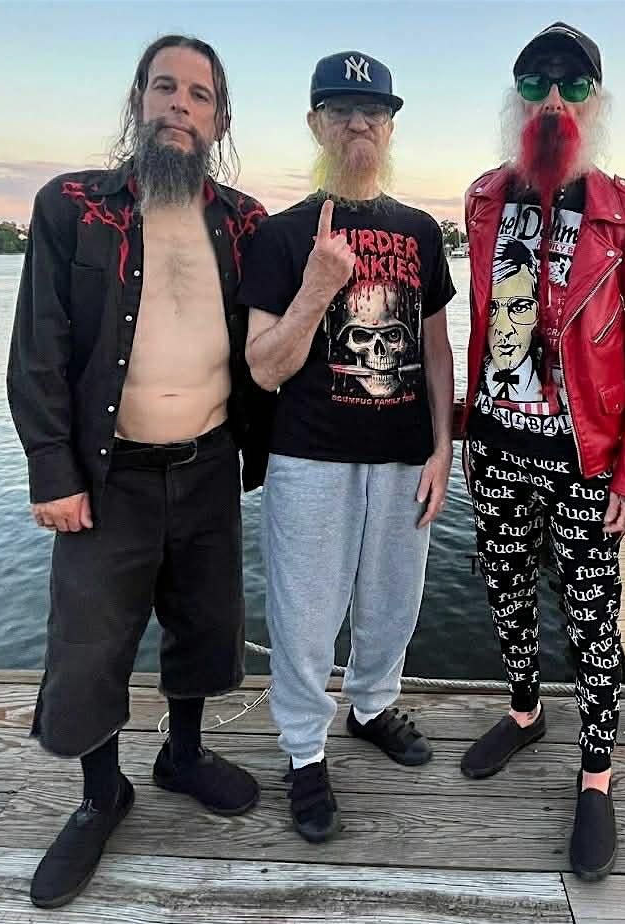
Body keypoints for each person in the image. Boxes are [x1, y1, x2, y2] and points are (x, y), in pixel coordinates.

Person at [6, 34, 273, 908]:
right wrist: (53, 471)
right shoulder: (73, 206)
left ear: (220, 120)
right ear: (138, 101)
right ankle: (101, 794)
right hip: (105, 474)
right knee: (90, 644)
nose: (178, 107)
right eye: (165, 88)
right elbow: (37, 350)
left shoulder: (245, 223)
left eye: (199, 95)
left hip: (209, 464)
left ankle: (182, 756)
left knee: (205, 625)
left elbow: (274, 344)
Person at [459, 22, 625, 881]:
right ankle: (523, 712)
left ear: (596, 100)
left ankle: (595, 772)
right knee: (505, 590)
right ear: (515, 98)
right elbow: (479, 326)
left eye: (573, 83)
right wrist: (463, 435)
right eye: (536, 81)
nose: (553, 97)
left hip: (585, 458)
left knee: (592, 619)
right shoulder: (483, 198)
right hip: (496, 445)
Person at [239, 51, 455, 844]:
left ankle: (370, 706)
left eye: (373, 110)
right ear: (315, 123)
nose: (357, 122)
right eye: (339, 109)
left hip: (404, 455)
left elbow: (435, 348)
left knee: (394, 603)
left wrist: (442, 449)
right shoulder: (281, 235)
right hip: (309, 457)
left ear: (390, 126)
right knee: (304, 617)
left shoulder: (420, 230)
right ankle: (304, 752)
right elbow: (264, 367)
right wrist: (318, 286)